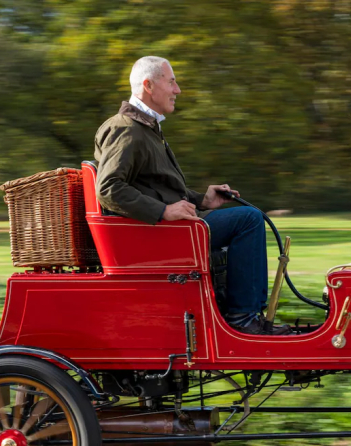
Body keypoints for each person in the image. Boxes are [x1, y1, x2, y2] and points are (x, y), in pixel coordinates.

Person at [94, 56, 290, 335]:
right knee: (248, 219)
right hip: (156, 234)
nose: (178, 90)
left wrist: (202, 200)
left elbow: (157, 186)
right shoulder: (125, 129)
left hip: (165, 228)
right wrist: (164, 212)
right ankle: (243, 318)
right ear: (149, 85)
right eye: (171, 82)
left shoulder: (145, 128)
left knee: (248, 217)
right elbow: (108, 188)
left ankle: (243, 314)